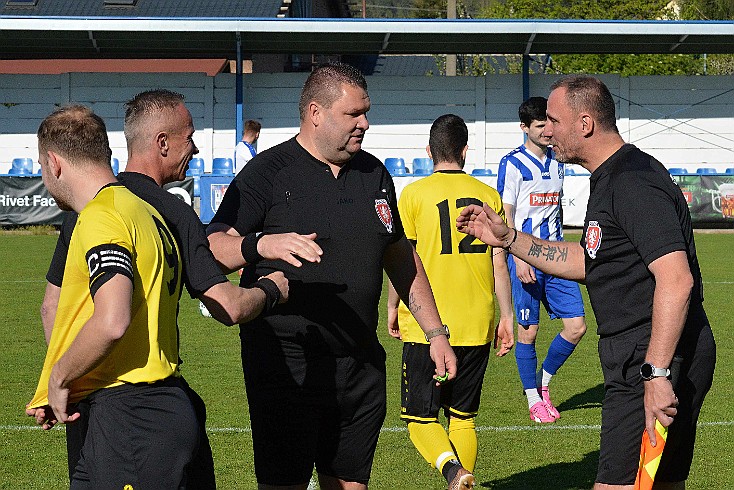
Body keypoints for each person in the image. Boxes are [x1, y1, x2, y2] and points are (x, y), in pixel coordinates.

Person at [39, 89, 314, 487]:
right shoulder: (163, 212)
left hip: (111, 408)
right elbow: (227, 305)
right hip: (143, 406)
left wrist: (66, 378)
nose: (197, 147)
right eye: (191, 136)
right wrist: (272, 288)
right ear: (162, 142)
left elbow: (54, 309)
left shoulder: (95, 211)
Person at [206, 62, 457, 490]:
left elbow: (399, 255)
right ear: (316, 112)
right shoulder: (268, 172)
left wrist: (435, 332)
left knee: (349, 482)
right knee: (283, 481)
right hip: (288, 362)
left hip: (359, 360)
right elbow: (212, 245)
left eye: (366, 112)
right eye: (353, 114)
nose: (365, 123)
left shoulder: (374, 173)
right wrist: (260, 244)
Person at [457, 75, 716, 490]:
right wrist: (507, 238)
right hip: (647, 352)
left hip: (650, 355)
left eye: (554, 121)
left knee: (618, 484)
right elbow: (590, 258)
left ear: (585, 123)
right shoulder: (610, 177)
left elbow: (677, 279)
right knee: (662, 483)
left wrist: (656, 373)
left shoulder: (632, 180)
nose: (548, 131)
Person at [26, 104, 201, 488]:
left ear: (54, 163)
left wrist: (59, 376)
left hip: (132, 417)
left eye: (41, 167)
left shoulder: (102, 216)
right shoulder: (143, 210)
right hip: (139, 409)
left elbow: (112, 319)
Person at [386, 114, 514, 489]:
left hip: (428, 323)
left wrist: (392, 307)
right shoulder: (488, 195)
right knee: (462, 417)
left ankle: (452, 470)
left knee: (420, 419)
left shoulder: (412, 194)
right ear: (464, 150)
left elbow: (402, 261)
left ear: (429, 151)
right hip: (477, 319)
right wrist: (506, 316)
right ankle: (462, 481)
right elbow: (499, 258)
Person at [497, 96, 587, 423]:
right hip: (526, 257)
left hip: (557, 255)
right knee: (528, 332)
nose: (548, 131)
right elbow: (506, 214)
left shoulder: (558, 160)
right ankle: (533, 400)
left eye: (549, 124)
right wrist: (517, 257)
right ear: (524, 128)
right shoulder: (512, 164)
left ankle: (542, 385)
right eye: (540, 126)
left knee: (577, 327)